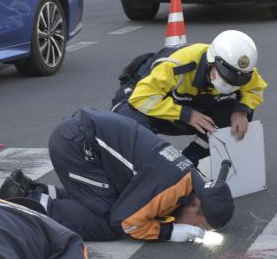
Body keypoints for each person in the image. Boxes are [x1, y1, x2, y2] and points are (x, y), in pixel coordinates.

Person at [0, 107, 234, 243]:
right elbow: (126, 223)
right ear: (195, 203)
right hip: (76, 146)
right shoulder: (172, 185)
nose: (198, 232)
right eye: (201, 226)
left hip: (80, 139)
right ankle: (25, 209)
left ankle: (31, 190)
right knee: (109, 222)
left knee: (115, 202)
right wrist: (169, 231)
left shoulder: (187, 176)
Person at [112, 30, 268, 166]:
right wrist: (187, 114)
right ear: (212, 61)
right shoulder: (178, 64)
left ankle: (188, 162)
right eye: (225, 77)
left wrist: (241, 111)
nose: (229, 84)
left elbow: (255, 89)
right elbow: (141, 98)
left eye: (235, 81)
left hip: (185, 107)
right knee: (130, 124)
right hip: (144, 101)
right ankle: (143, 172)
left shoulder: (242, 70)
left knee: (232, 112)